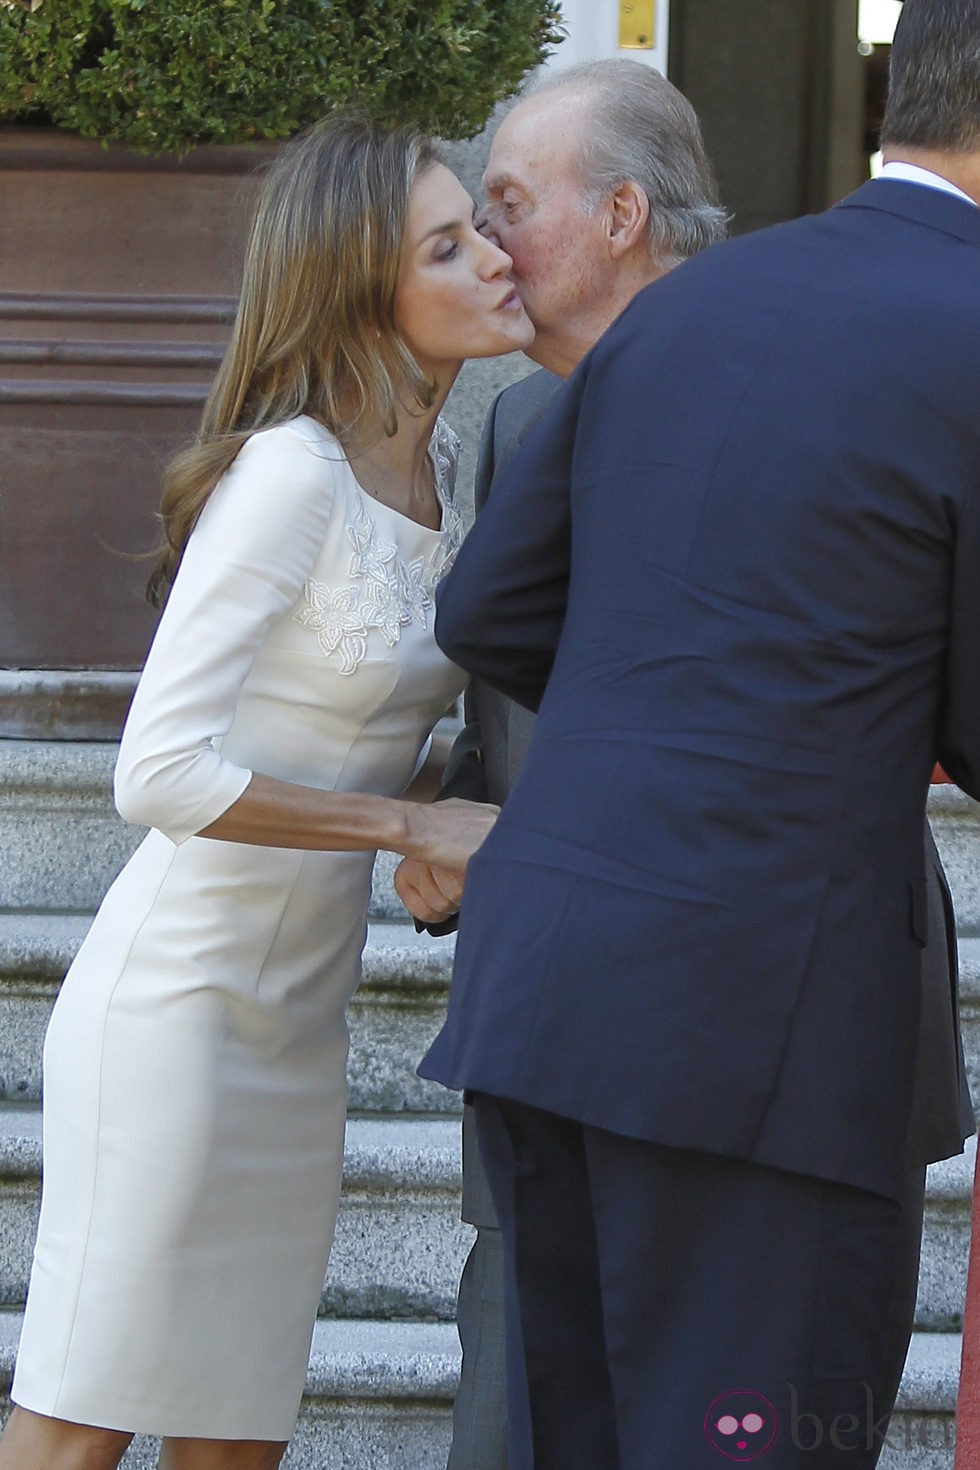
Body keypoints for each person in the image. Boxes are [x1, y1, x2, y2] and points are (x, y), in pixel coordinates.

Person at [418, 0, 980, 1464]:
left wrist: (670, 713)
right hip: (764, 1029)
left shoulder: (695, 304)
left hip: (547, 990)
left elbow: (487, 603)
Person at [0, 113, 534, 1470]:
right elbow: (157, 769)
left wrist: (426, 796)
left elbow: (340, 720)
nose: (495, 258)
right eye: (449, 243)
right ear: (367, 288)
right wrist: (406, 823)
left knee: (238, 1433)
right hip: (169, 1016)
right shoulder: (287, 475)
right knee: (77, 1422)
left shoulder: (447, 473)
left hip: (296, 1035)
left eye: (479, 227)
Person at [395, 57, 729, 1469]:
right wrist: (440, 819)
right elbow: (508, 702)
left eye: (511, 207)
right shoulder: (517, 420)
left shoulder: (770, 393)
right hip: (531, 1025)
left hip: (711, 1034)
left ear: (623, 216)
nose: (489, 246)